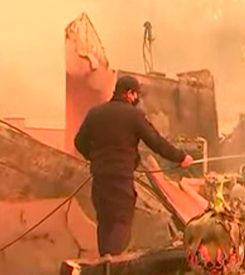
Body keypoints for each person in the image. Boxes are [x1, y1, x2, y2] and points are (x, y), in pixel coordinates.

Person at [74, 74, 194, 257]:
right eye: (136, 95)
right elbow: (156, 142)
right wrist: (181, 157)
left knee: (105, 224)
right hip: (120, 181)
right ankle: (112, 269)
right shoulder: (134, 116)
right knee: (120, 225)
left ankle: (105, 273)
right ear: (130, 94)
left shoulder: (95, 113)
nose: (137, 99)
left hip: (99, 181)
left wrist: (96, 159)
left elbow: (79, 142)